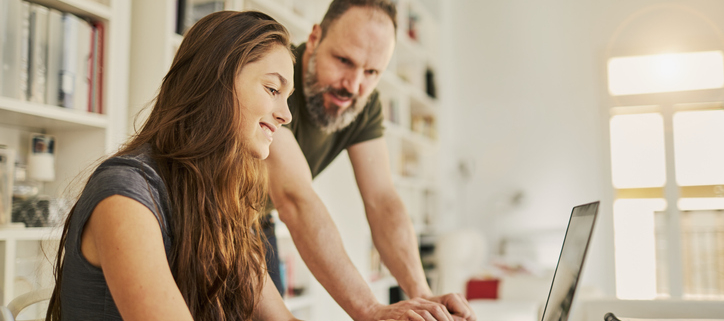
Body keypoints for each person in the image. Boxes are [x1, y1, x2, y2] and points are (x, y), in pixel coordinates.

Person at [45, 11, 322, 321]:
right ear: (214, 80)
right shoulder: (126, 195)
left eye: (287, 97)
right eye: (273, 90)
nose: (286, 115)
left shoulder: (220, 198)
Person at [262, 1, 477, 321]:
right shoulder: (275, 81)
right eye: (344, 60)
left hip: (256, 222)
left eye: (372, 72)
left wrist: (423, 296)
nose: (353, 85)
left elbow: (382, 200)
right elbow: (295, 198)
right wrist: (369, 310)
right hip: (198, 212)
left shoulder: (364, 103)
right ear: (315, 37)